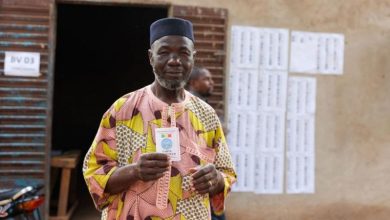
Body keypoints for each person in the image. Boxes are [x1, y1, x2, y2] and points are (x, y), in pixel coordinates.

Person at [83, 17, 236, 220]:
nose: (174, 60)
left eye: (183, 52)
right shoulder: (122, 110)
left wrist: (215, 179)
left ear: (193, 58)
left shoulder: (207, 115)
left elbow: (226, 174)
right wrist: (134, 171)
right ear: (150, 57)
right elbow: (93, 172)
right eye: (164, 52)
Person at [187, 67, 227, 220]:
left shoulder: (203, 105)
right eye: (207, 79)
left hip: (208, 177)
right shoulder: (189, 105)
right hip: (198, 178)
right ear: (194, 83)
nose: (212, 83)